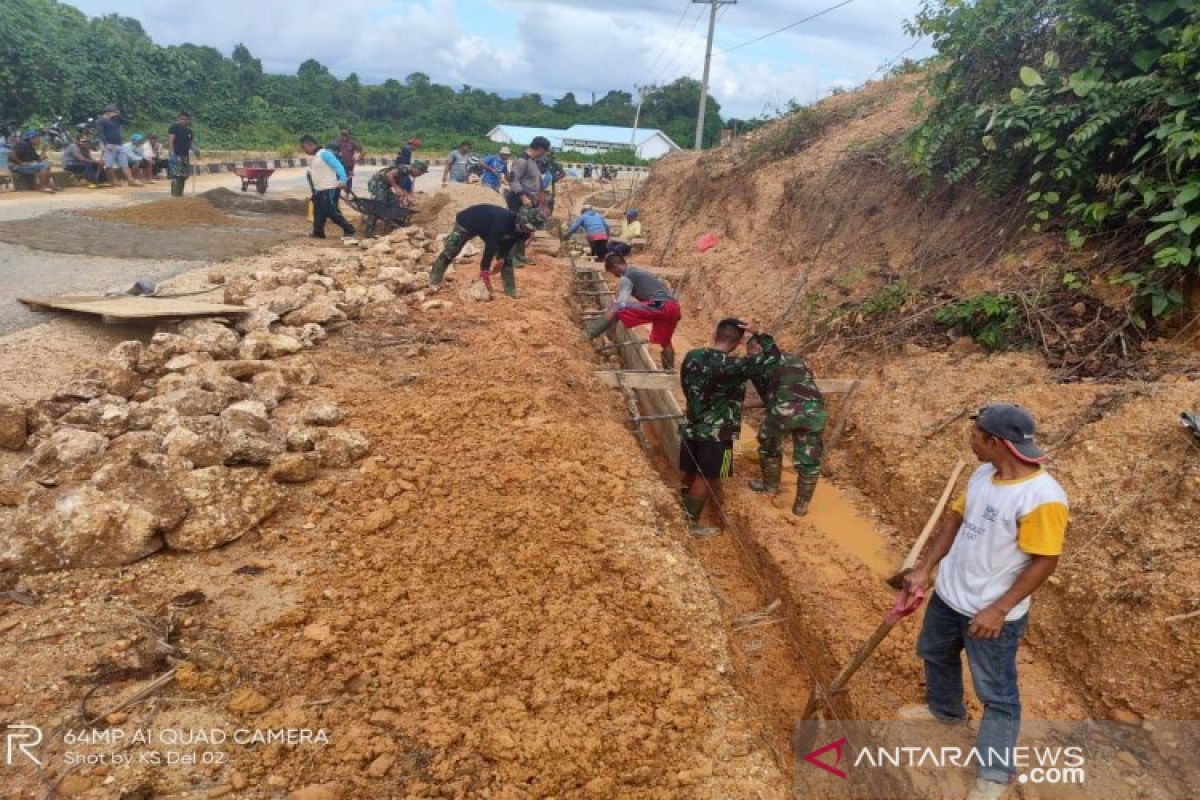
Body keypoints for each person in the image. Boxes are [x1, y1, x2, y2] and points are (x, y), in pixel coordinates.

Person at [899, 403, 1068, 800]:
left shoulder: (1042, 498)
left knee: (997, 695)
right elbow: (955, 521)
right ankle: (945, 711)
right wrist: (925, 569)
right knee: (934, 652)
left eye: (976, 437)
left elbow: (1046, 561)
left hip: (990, 613)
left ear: (997, 443)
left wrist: (999, 608)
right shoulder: (982, 474)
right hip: (950, 596)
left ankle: (995, 773)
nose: (970, 442)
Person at [679, 320, 782, 537]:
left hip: (692, 424)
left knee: (691, 470)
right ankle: (690, 524)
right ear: (737, 342)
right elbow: (773, 359)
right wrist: (760, 333)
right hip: (717, 433)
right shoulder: (733, 366)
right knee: (705, 476)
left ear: (715, 333)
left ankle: (681, 508)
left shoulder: (692, 356)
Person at [742, 337, 827, 515]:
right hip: (814, 412)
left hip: (784, 412)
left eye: (749, 352)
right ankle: (801, 507)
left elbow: (768, 399)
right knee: (809, 460)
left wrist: (743, 405)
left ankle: (770, 486)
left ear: (754, 349)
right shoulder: (794, 359)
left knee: (769, 446)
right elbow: (801, 386)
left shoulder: (760, 365)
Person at [586, 253, 682, 369]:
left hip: (660, 304)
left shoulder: (627, 277)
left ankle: (588, 334)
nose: (615, 276)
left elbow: (621, 304)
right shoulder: (640, 272)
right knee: (665, 342)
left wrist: (615, 310)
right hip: (673, 307)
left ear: (616, 266)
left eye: (613, 272)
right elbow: (661, 287)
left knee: (617, 309)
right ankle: (669, 372)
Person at [428, 205, 544, 299]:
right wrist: (485, 270)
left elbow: (509, 242)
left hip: (486, 228)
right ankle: (434, 281)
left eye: (531, 229)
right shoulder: (503, 221)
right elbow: (491, 245)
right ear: (521, 219)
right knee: (451, 250)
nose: (527, 230)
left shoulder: (524, 232)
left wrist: (502, 258)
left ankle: (511, 291)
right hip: (468, 221)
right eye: (527, 226)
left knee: (507, 259)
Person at [506, 136, 552, 266]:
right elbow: (513, 180)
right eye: (544, 151)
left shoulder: (533, 161)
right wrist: (523, 196)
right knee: (515, 228)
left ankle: (520, 255)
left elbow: (536, 180)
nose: (544, 154)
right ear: (539, 148)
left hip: (530, 200)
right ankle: (511, 257)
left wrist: (541, 197)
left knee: (525, 229)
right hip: (519, 199)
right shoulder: (522, 160)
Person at [300, 134, 355, 240]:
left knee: (331, 211)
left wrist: (343, 180)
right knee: (318, 211)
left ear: (309, 144)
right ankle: (318, 232)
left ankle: (349, 229)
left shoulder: (324, 154)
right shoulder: (316, 156)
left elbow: (338, 166)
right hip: (320, 190)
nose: (304, 150)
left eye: (303, 147)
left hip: (329, 188)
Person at [362, 160, 429, 237]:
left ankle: (392, 227)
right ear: (417, 169)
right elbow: (389, 175)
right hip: (376, 183)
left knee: (394, 202)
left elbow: (398, 183)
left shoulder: (407, 172)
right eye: (421, 173)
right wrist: (396, 188)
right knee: (379, 204)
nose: (420, 175)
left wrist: (404, 194)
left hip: (384, 185)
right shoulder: (405, 169)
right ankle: (369, 230)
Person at [97, 105, 140, 187]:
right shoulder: (100, 121)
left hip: (119, 145)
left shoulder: (116, 119)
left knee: (124, 164)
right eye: (114, 112)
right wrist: (106, 144)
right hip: (109, 145)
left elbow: (127, 122)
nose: (116, 113)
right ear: (108, 112)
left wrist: (119, 116)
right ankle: (114, 181)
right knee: (109, 165)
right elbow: (100, 133)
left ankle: (131, 180)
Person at [167, 111, 196, 197]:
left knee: (184, 176)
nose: (184, 121)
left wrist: (195, 150)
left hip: (185, 156)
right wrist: (172, 153)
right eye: (182, 119)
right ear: (178, 119)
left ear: (189, 120)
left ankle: (180, 194)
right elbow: (170, 141)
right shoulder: (174, 127)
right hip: (176, 155)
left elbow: (190, 145)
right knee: (176, 176)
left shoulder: (190, 131)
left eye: (186, 119)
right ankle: (175, 195)